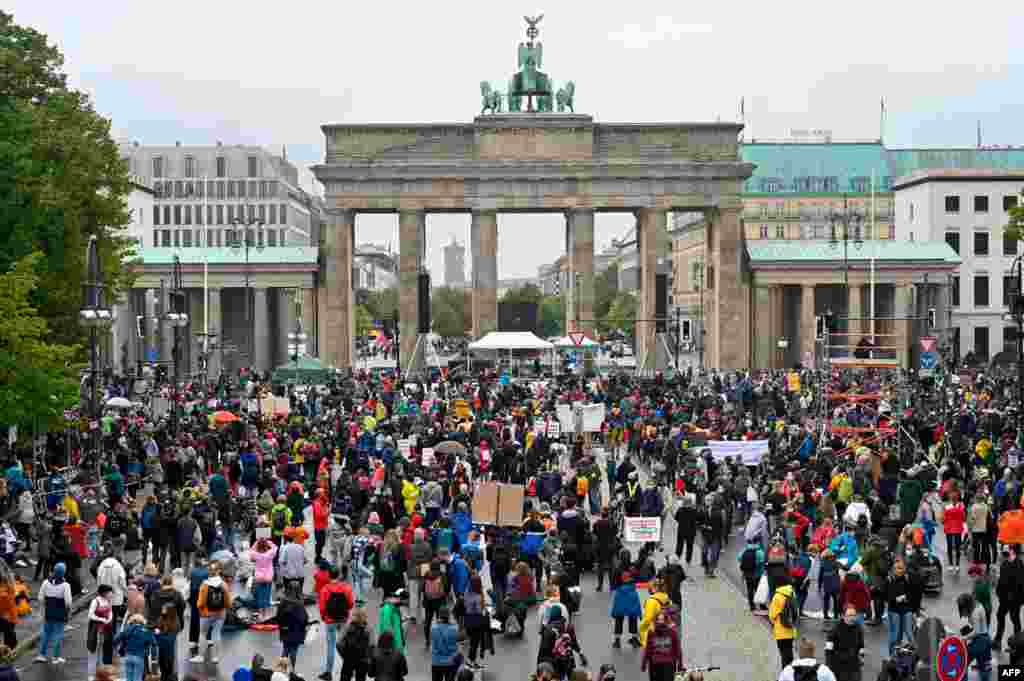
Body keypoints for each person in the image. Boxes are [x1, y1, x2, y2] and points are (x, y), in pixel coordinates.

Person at [319, 564, 354, 681]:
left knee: (331, 646)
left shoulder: (325, 589)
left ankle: (328, 672)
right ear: (339, 575)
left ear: (329, 575)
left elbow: (322, 607)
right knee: (346, 645)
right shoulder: (346, 588)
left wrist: (324, 618)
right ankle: (349, 668)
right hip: (343, 619)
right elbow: (351, 604)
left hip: (330, 620)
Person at [36, 561, 71, 664]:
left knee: (46, 634)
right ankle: (55, 657)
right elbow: (68, 602)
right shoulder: (65, 585)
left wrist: (45, 607)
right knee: (58, 635)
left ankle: (42, 655)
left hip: (48, 612)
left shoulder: (45, 583)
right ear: (63, 573)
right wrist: (68, 613)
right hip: (60, 613)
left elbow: (40, 598)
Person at [196, 560, 232, 663]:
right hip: (220, 613)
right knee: (216, 634)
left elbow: (201, 602)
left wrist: (200, 608)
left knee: (203, 633)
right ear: (218, 571)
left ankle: (200, 656)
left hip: (206, 613)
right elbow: (228, 602)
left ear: (209, 571)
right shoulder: (224, 584)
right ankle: (215, 657)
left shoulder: (205, 584)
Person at [884, 559, 915, 657]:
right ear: (893, 569)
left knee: (909, 633)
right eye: (898, 568)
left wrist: (907, 597)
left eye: (902, 568)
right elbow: (886, 596)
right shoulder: (889, 580)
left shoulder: (907, 578)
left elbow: (912, 593)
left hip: (906, 608)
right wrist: (895, 599)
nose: (900, 570)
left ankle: (916, 655)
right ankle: (892, 655)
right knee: (895, 634)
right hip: (894, 610)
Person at [114, 613, 157, 681]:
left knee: (129, 679)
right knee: (137, 679)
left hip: (128, 656)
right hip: (139, 657)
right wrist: (153, 659)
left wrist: (119, 649)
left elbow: (116, 640)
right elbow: (154, 644)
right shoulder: (146, 631)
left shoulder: (127, 629)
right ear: (142, 621)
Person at [826, 606, 865, 681]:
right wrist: (828, 665)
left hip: (854, 664)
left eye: (854, 615)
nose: (852, 618)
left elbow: (861, 644)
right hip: (839, 665)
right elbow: (828, 649)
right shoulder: (835, 629)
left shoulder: (858, 627)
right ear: (843, 616)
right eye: (849, 615)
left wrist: (862, 656)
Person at [641, 611, 682, 681]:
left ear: (666, 620)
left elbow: (677, 649)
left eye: (662, 620)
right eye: (659, 620)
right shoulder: (652, 633)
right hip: (656, 664)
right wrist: (644, 663)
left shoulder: (672, 633)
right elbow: (648, 649)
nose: (660, 622)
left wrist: (680, 664)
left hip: (667, 664)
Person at [609, 563, 642, 649]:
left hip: (620, 594)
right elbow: (640, 577)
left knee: (619, 618)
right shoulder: (633, 569)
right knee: (633, 617)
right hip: (632, 593)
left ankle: (617, 641)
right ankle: (634, 639)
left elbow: (613, 583)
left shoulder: (617, 569)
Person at [768, 574, 797, 669]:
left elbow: (772, 614)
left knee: (784, 654)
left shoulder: (778, 596)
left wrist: (773, 622)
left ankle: (786, 673)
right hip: (791, 629)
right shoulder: (792, 593)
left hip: (780, 630)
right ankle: (791, 671)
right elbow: (796, 611)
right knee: (789, 653)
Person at [278, 585, 309, 671]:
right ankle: (292, 670)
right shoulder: (299, 603)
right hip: (297, 631)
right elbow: (304, 618)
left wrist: (282, 626)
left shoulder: (283, 601)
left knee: (285, 649)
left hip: (285, 630)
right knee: (293, 650)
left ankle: (282, 669)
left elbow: (278, 616)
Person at [87, 584, 115, 681]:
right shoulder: (95, 601)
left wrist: (109, 619)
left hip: (107, 629)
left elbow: (110, 611)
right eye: (110, 592)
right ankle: (91, 674)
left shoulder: (108, 600)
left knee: (106, 650)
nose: (112, 594)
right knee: (94, 651)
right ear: (104, 593)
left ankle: (102, 673)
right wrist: (101, 619)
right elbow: (90, 615)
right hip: (96, 629)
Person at [338, 607, 373, 681]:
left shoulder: (347, 627)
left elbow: (339, 643)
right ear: (365, 617)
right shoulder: (369, 629)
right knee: (361, 678)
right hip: (362, 660)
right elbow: (372, 646)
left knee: (345, 678)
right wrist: (368, 659)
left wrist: (344, 655)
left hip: (349, 658)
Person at [463, 575, 491, 669]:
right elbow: (479, 610)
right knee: (475, 643)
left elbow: (465, 604)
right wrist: (485, 610)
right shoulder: (478, 596)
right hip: (476, 621)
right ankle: (470, 661)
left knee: (472, 642)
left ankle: (472, 661)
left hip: (467, 619)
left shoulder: (467, 591)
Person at [248, 536, 278, 623]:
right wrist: (268, 541)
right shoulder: (270, 554)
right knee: (267, 595)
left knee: (260, 596)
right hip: (268, 577)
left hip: (259, 577)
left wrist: (257, 542)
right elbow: (275, 547)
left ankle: (261, 614)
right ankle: (266, 614)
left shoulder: (256, 555)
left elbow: (251, 550)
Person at [638, 579, 671, 648]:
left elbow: (648, 618)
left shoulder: (651, 601)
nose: (649, 589)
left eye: (650, 587)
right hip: (666, 631)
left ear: (655, 588)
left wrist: (641, 627)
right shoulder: (667, 599)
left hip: (652, 633)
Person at [430, 607, 459, 681]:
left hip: (436, 661)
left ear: (439, 616)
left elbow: (433, 642)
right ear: (449, 616)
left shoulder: (433, 628)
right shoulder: (454, 629)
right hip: (450, 661)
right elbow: (458, 642)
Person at [154, 601, 181, 681]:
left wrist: (158, 634)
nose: (162, 610)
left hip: (169, 653)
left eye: (164, 609)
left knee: (168, 670)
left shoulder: (175, 623)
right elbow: (157, 626)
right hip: (162, 652)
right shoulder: (162, 618)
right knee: (163, 669)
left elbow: (169, 640)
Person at [738, 539, 766, 611]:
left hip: (747, 574)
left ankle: (752, 606)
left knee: (749, 589)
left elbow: (739, 558)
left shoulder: (744, 550)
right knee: (758, 589)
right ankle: (762, 606)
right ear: (757, 542)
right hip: (757, 574)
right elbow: (763, 561)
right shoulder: (759, 551)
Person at [378, 589, 406, 655]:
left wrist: (402, 620)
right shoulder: (387, 609)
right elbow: (386, 627)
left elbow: (395, 622)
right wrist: (391, 644)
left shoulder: (393, 608)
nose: (400, 601)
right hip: (393, 644)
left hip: (396, 641)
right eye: (398, 599)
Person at [278, 532, 306, 596]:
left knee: (287, 590)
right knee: (300, 590)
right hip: (300, 574)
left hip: (289, 575)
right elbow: (305, 560)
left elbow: (282, 561)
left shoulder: (285, 548)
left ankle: (287, 594)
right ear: (294, 539)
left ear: (286, 539)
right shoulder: (300, 547)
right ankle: (300, 595)